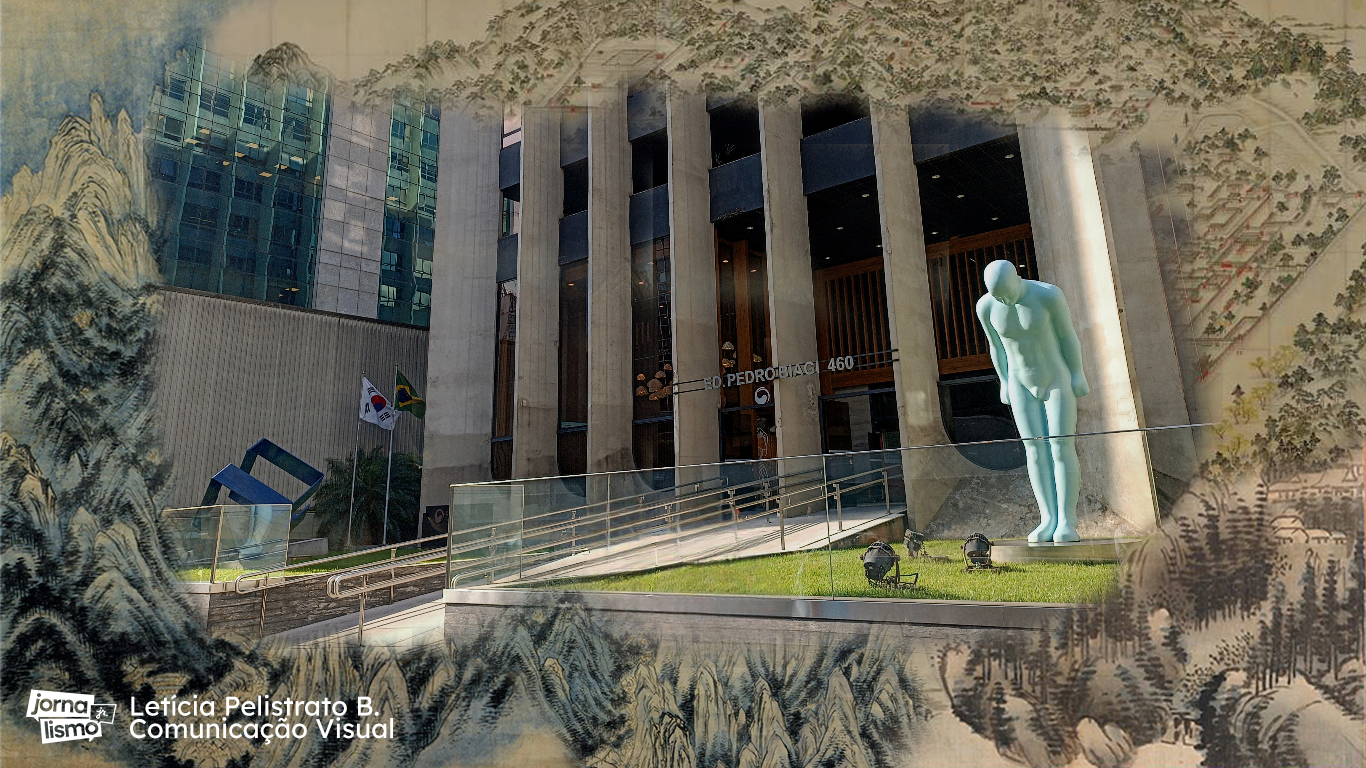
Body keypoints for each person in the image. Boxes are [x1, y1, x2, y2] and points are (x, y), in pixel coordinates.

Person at [975, 260, 1089, 542]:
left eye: (1005, 292)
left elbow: (1067, 336)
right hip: (1019, 384)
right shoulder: (986, 306)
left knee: (1061, 445)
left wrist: (1077, 374)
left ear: (1017, 278)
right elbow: (996, 347)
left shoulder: (1048, 295)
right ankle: (1048, 518)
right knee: (1034, 451)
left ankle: (1067, 520)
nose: (1003, 299)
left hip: (1055, 379)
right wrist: (1003, 380)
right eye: (996, 295)